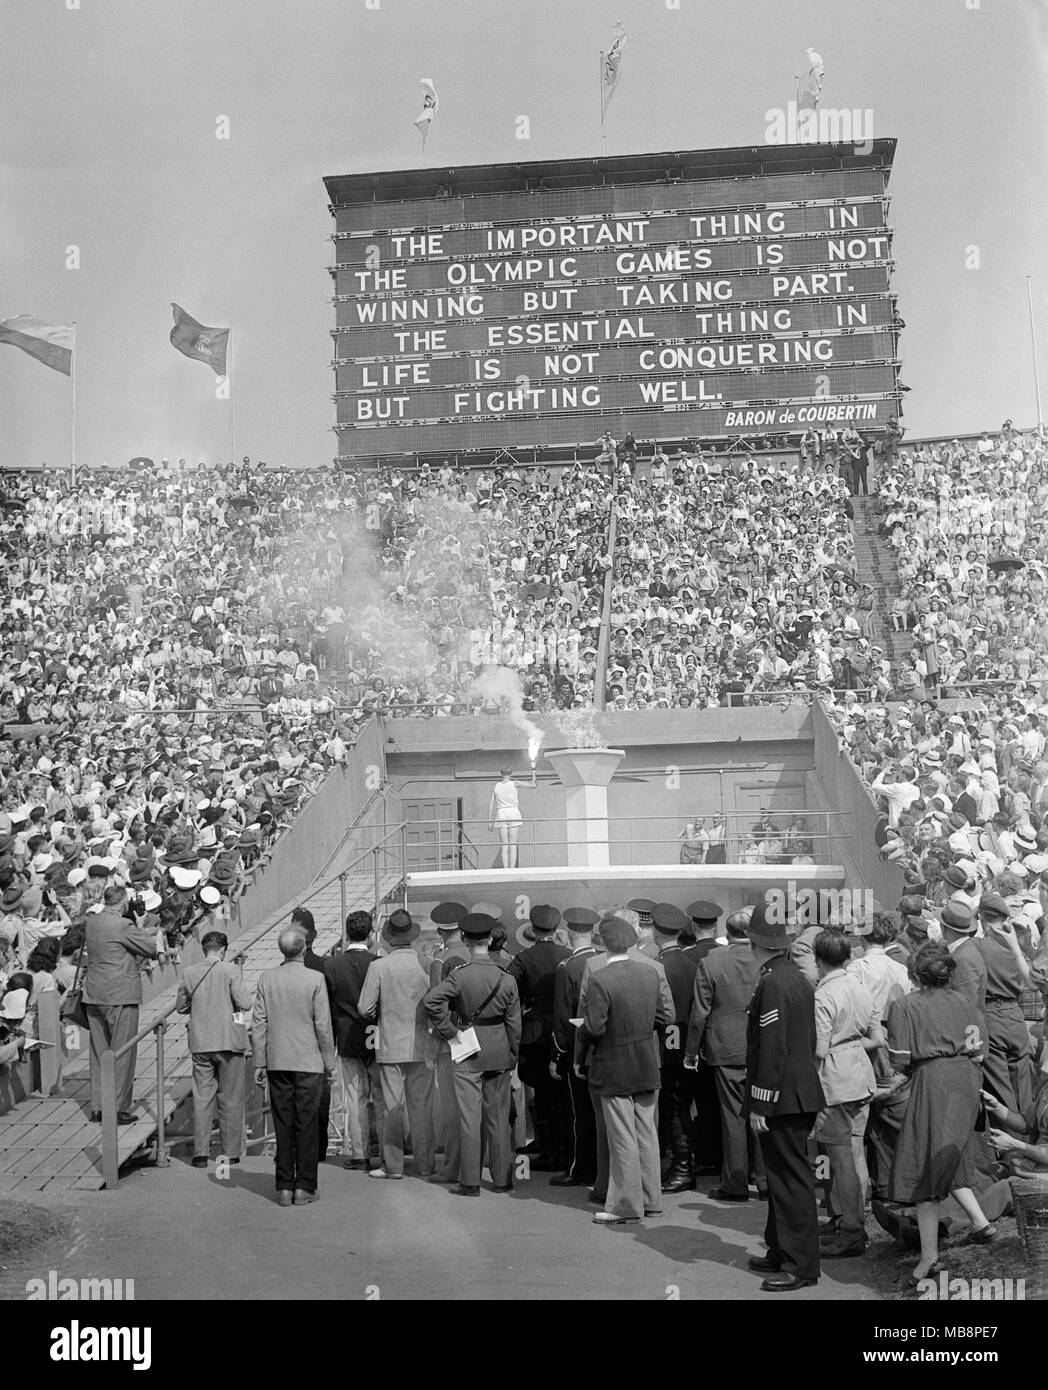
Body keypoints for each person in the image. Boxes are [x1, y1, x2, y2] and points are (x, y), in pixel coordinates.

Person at [885, 941, 996, 1282]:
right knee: (952, 1154)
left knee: (924, 1166)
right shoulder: (962, 1000)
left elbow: (900, 1060)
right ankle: (981, 1223)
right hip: (966, 1076)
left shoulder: (904, 1006)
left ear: (915, 974)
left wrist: (889, 1086)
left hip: (934, 1082)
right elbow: (979, 1048)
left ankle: (929, 1258)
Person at [744, 903, 825, 1292]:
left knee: (791, 1181)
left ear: (754, 941)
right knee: (781, 1179)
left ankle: (801, 1265)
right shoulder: (791, 975)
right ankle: (780, 1248)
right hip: (795, 1092)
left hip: (782, 1097)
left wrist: (761, 1102)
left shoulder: (775, 981)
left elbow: (773, 1048)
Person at [578, 914, 674, 1225]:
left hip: (613, 1065)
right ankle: (651, 1200)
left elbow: (593, 1026)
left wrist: (579, 1055)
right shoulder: (649, 972)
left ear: (603, 944)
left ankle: (625, 1205)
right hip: (646, 1062)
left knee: (622, 1138)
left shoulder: (600, 978)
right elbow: (664, 1018)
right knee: (647, 1134)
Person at [424, 911, 521, 1196]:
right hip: (499, 1050)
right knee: (498, 1119)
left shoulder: (460, 976)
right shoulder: (506, 978)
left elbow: (432, 1001)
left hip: (468, 1048)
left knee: (470, 1118)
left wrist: (450, 1031)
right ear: (491, 939)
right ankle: (502, 1179)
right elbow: (514, 1023)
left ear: (465, 939)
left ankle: (470, 1181)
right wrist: (512, 1052)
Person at [251, 925, 337, 1206]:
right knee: (308, 1124)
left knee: (283, 1123)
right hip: (308, 1060)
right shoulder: (315, 979)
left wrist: (259, 1061)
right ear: (304, 948)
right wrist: (329, 1062)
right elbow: (323, 1025)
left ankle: (285, 1186)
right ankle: (305, 1187)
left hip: (277, 1060)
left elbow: (259, 1024)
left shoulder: (267, 979)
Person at [811, 929, 884, 1259]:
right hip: (861, 1076)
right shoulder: (860, 986)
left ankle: (851, 1230)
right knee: (855, 1156)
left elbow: (819, 1050)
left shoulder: (823, 995)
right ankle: (856, 1226)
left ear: (817, 960)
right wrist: (853, 1044)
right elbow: (877, 1038)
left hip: (837, 1081)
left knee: (841, 1160)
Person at [685, 907, 766, 1202]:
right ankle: (766, 1180)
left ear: (727, 934)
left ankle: (735, 1183)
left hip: (725, 1048)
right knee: (762, 1112)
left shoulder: (712, 961)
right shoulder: (765, 960)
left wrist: (691, 1052)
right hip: (761, 1047)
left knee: (733, 1117)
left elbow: (699, 1013)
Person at [357, 909, 436, 1180]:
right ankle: (425, 1164)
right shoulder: (427, 963)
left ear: (389, 937)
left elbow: (364, 1007)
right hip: (421, 1043)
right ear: (412, 936)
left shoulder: (378, 966)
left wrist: (379, 1013)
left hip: (389, 1043)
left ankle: (393, 1166)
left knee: (392, 1106)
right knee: (421, 1106)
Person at [82, 883, 159, 1125]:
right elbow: (150, 947)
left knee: (98, 1052)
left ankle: (97, 1107)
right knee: (122, 1052)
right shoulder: (123, 925)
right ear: (124, 903)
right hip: (120, 994)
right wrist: (139, 923)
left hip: (94, 993)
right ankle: (116, 1108)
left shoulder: (92, 921)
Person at [175, 929, 253, 1169]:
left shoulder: (189, 973)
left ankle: (200, 1152)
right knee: (230, 1098)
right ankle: (229, 1153)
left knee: (202, 1097)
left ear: (204, 949)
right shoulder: (230, 970)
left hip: (200, 1042)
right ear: (223, 949)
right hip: (229, 1041)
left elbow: (180, 1006)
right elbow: (245, 1003)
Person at [508, 905, 570, 1172]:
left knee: (542, 1092)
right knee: (563, 1094)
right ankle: (565, 1149)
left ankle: (548, 1149)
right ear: (556, 930)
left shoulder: (524, 958)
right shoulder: (567, 956)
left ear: (532, 930)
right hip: (563, 1030)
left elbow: (510, 991)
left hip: (534, 1032)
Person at [324, 909, 384, 1171]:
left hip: (347, 1036)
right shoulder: (378, 962)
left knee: (355, 1097)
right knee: (382, 1097)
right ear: (371, 934)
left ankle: (360, 1153)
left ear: (347, 934)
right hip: (377, 1035)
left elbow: (327, 1005)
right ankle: (386, 1152)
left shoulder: (332, 966)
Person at [549, 906, 601, 1187]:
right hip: (600, 1047)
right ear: (592, 933)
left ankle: (580, 1169)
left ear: (569, 934)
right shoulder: (602, 961)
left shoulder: (568, 967)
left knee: (579, 1115)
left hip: (576, 1050)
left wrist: (558, 1055)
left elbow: (562, 1017)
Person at [649, 903, 699, 1192]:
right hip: (686, 1043)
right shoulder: (692, 964)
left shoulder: (659, 966)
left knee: (674, 1107)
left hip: (665, 1043)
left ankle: (682, 1168)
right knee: (678, 1105)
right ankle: (680, 1165)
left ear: (656, 932)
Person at [974, 892, 1034, 1115]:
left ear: (981, 917)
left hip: (991, 1015)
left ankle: (1011, 1144)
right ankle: (1028, 1138)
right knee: (1023, 1086)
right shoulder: (1018, 945)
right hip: (1015, 1014)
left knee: (1000, 1092)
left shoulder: (978, 946)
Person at [425, 901, 470, 1184]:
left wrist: (442, 1034)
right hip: (476, 1036)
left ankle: (453, 1166)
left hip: (449, 1040)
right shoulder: (474, 954)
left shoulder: (440, 962)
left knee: (451, 1108)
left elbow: (434, 1004)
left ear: (441, 931)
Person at [293, 906, 333, 1162]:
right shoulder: (323, 967)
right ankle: (318, 1149)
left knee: (293, 1099)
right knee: (319, 1099)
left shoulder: (279, 972)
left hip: (290, 1044)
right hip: (317, 1044)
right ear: (314, 938)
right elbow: (327, 1013)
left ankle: (295, 1149)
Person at [488, 768, 523, 870]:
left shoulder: (496, 786)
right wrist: (533, 776)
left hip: (501, 813)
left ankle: (506, 868)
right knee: (513, 844)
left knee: (504, 844)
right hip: (513, 812)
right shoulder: (515, 783)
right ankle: (512, 869)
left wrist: (490, 820)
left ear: (501, 774)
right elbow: (533, 785)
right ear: (511, 774)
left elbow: (491, 804)